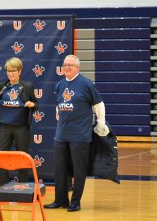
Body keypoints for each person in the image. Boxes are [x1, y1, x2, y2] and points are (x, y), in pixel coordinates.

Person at [44, 55, 109, 212]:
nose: (66, 67)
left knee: (79, 170)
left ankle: (75, 202)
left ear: (77, 68)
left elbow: (99, 104)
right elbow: (59, 103)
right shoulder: (60, 85)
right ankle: (60, 200)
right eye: (65, 64)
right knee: (60, 169)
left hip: (80, 135)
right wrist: (58, 113)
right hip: (61, 135)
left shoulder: (86, 84)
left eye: (70, 65)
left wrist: (101, 123)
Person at [0, 57, 38, 185]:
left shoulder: (27, 86)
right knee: (2, 157)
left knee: (22, 157)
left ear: (20, 71)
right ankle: (3, 186)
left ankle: (22, 187)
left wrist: (31, 104)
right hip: (4, 127)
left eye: (13, 71)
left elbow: (36, 104)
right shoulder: (2, 86)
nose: (10, 74)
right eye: (8, 71)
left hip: (21, 127)